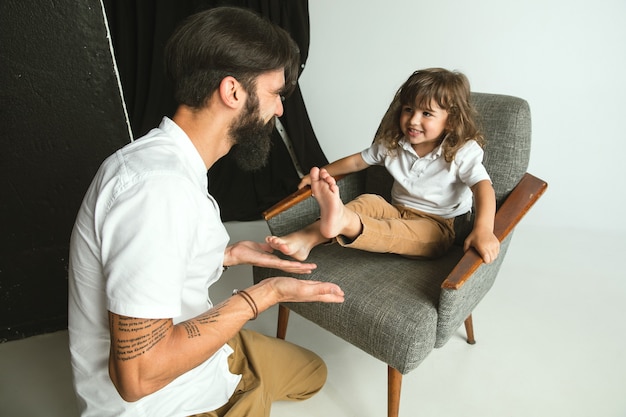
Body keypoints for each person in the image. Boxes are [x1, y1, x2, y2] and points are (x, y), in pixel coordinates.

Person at [67, 7, 344, 417]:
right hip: (165, 402)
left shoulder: (169, 161)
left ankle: (246, 386)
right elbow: (138, 377)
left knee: (313, 373)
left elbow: (150, 255)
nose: (280, 111)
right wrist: (264, 294)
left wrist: (226, 254)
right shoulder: (158, 192)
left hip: (206, 356)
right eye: (275, 95)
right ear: (233, 92)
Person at [266, 68, 501, 264]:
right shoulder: (394, 144)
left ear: (450, 121)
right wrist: (320, 174)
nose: (413, 119)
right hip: (396, 209)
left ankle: (345, 222)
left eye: (427, 113)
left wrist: (483, 229)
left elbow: (483, 188)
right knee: (369, 202)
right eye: (409, 109)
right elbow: (357, 161)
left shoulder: (461, 150)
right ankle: (306, 239)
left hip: (438, 226)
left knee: (395, 232)